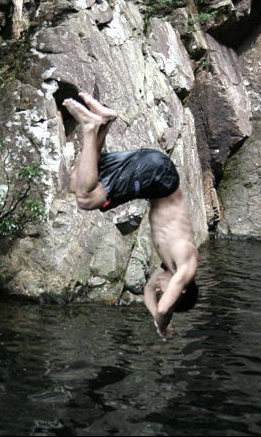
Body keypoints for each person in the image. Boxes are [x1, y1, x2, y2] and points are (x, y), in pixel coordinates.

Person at [63, 92, 198, 341]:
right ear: (181, 290)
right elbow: (164, 308)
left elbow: (148, 293)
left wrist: (154, 315)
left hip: (154, 171)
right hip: (157, 177)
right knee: (86, 199)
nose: (158, 290)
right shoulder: (186, 265)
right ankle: (91, 126)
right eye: (165, 292)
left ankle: (103, 121)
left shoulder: (170, 267)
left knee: (79, 181)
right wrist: (163, 326)